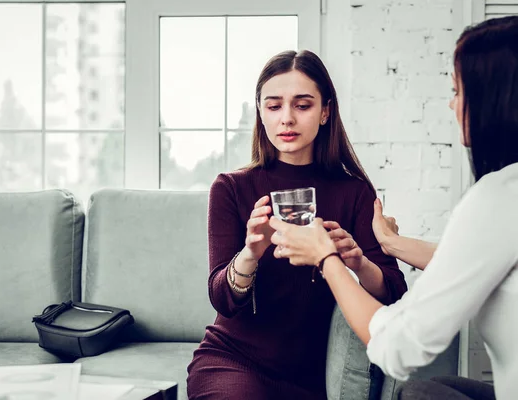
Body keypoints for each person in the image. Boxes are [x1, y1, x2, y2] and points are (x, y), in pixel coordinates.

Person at [268, 16, 518, 400]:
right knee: (431, 389)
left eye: (457, 91)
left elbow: (398, 347)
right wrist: (390, 242)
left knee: (417, 394)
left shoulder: (499, 196)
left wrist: (326, 259)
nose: (451, 105)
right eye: (273, 105)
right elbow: (477, 262)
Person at [186, 49, 407, 399]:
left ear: (325, 112)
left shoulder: (353, 191)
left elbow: (394, 291)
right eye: (273, 106)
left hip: (311, 375)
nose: (286, 118)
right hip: (233, 361)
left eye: (302, 105)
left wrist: (358, 263)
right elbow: (222, 301)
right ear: (260, 113)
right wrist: (249, 254)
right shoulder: (231, 187)